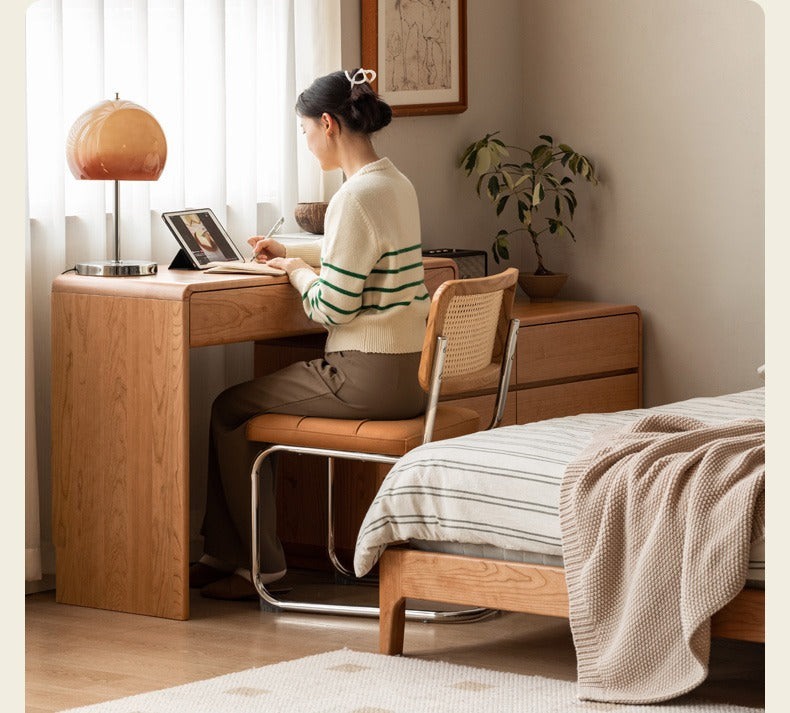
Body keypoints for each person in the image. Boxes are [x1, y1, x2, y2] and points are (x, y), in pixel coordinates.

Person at [190, 68, 430, 599]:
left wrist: (295, 275)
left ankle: (257, 565)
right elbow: (358, 254)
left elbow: (332, 309)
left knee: (229, 410)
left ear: (327, 124)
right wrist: (295, 253)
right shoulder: (394, 183)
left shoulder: (353, 198)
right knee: (243, 406)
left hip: (366, 374)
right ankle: (229, 556)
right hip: (410, 375)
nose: (305, 143)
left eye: (304, 132)